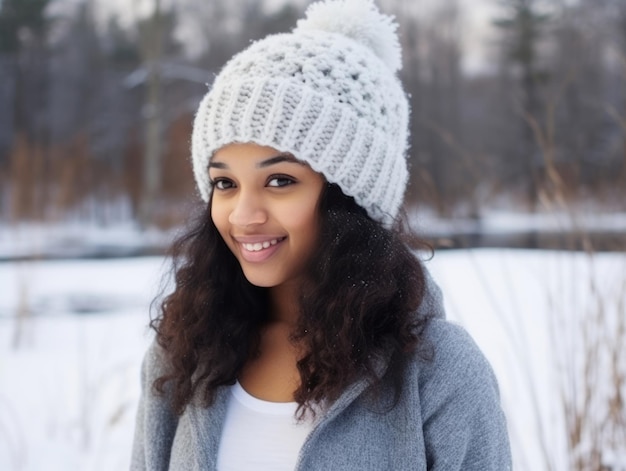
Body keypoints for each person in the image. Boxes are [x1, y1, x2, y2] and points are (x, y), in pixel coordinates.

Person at [130, 0, 512, 469]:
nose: (243, 215)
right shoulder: (184, 355)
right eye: (225, 183)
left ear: (349, 198)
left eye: (280, 181)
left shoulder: (438, 373)